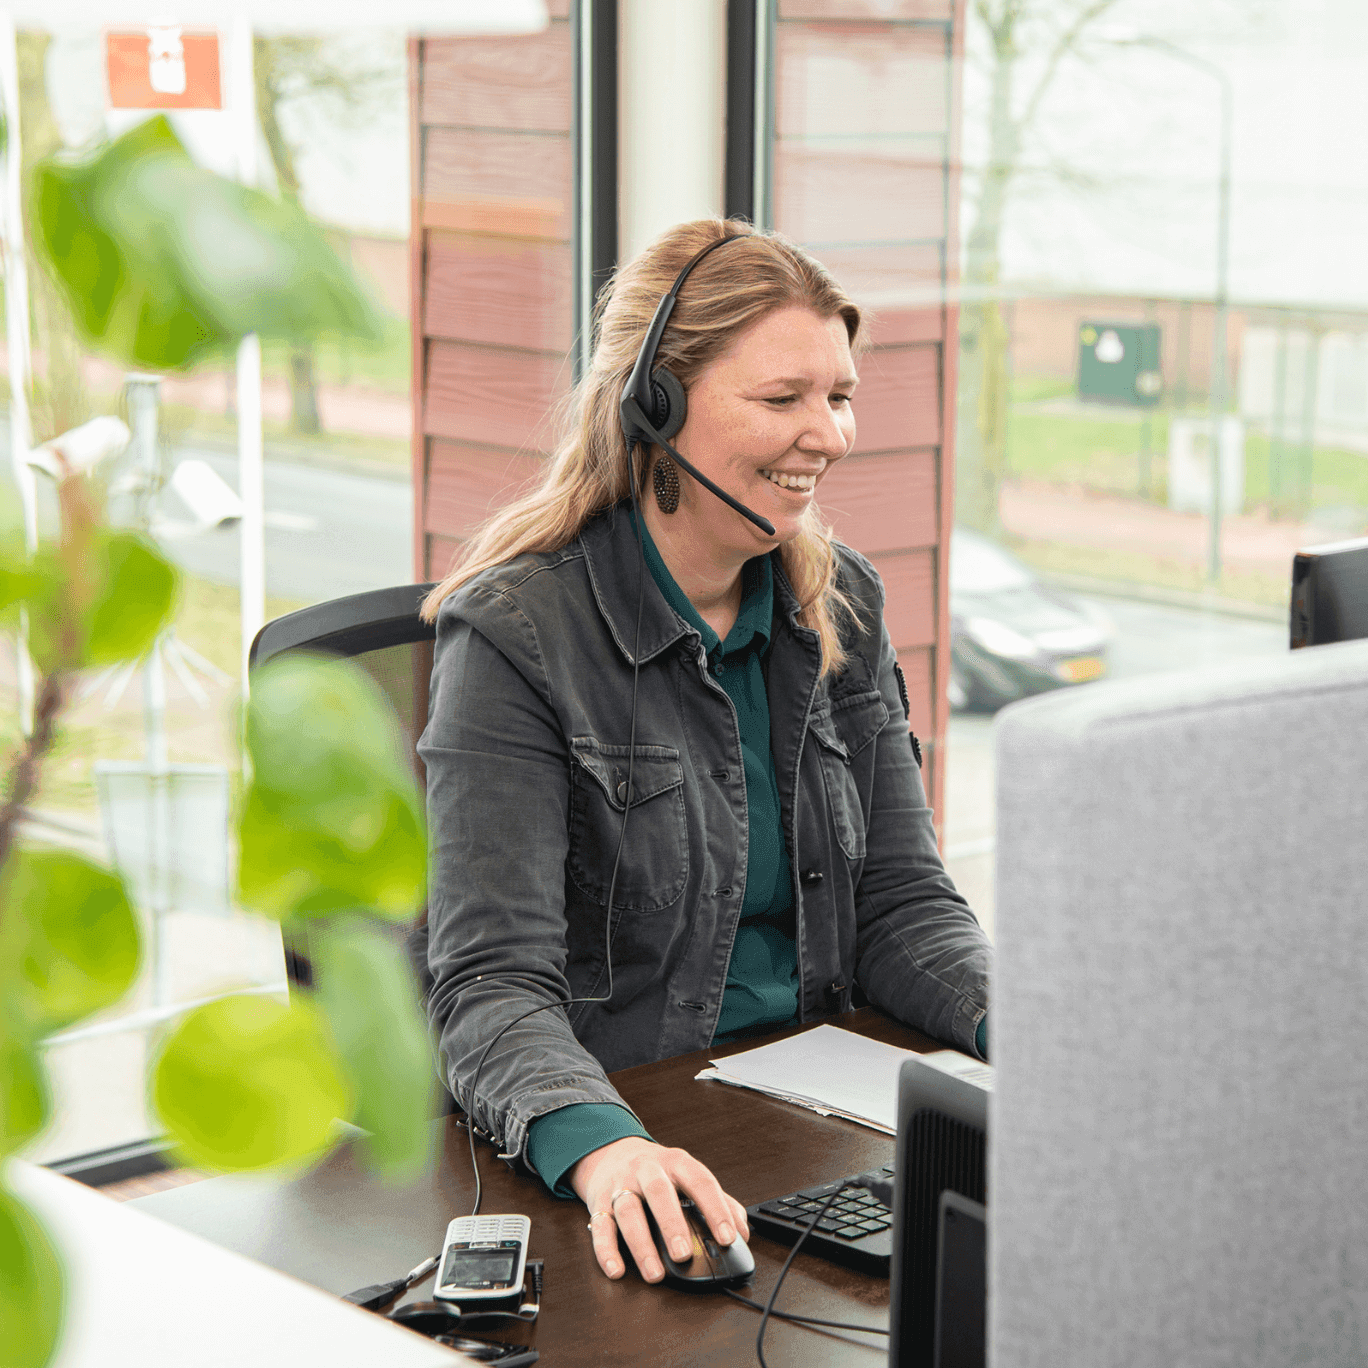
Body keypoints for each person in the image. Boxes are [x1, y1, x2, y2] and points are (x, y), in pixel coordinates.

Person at [418, 218, 991, 1288]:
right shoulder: (518, 634)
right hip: (634, 1148)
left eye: (839, 396)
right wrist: (605, 1147)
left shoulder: (840, 601)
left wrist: (1027, 1022)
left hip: (816, 1138)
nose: (830, 433)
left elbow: (905, 903)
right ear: (655, 405)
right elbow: (492, 981)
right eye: (784, 400)